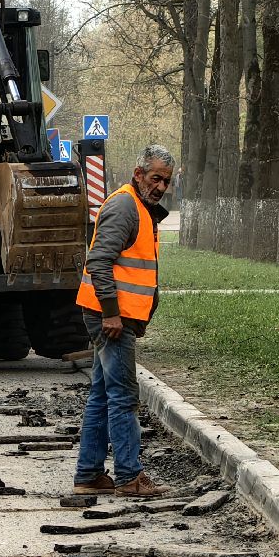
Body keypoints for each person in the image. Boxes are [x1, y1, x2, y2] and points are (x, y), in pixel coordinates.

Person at [73, 144, 175, 499]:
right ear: (138, 174)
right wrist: (112, 312)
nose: (160, 186)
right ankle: (130, 476)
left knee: (102, 394)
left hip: (119, 317)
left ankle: (88, 474)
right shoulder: (124, 206)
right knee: (123, 397)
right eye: (155, 178)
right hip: (110, 318)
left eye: (166, 181)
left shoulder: (142, 209)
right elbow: (98, 261)